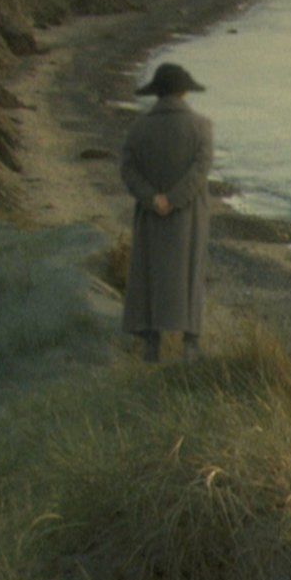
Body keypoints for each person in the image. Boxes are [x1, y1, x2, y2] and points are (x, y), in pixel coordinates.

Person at [120, 62, 213, 361]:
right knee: (190, 270)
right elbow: (200, 171)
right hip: (188, 212)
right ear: (184, 91)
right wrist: (174, 199)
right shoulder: (201, 126)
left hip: (151, 212)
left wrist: (153, 199)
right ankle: (190, 341)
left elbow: (128, 170)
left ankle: (150, 341)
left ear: (157, 94)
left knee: (149, 270)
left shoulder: (138, 128)